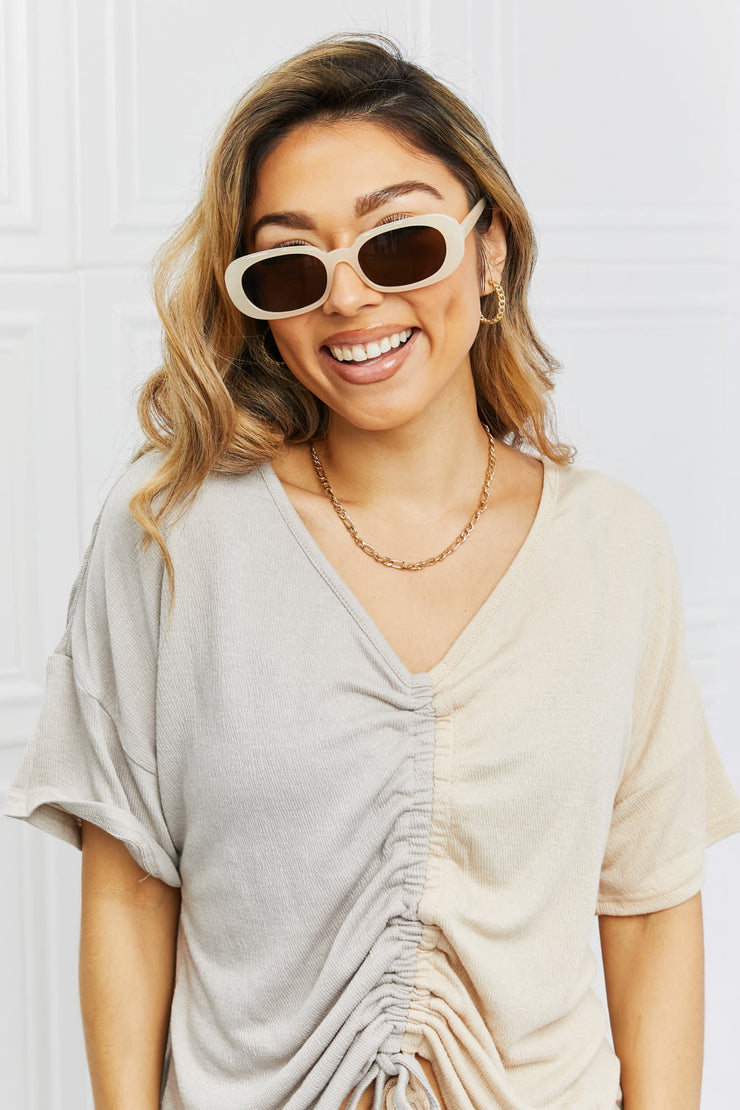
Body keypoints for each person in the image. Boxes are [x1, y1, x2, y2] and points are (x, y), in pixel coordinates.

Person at [4, 31, 740, 1110]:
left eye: (398, 244)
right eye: (292, 265)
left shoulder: (614, 549)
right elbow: (129, 887)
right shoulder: (169, 534)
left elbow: (647, 906)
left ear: (488, 252)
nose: (346, 299)